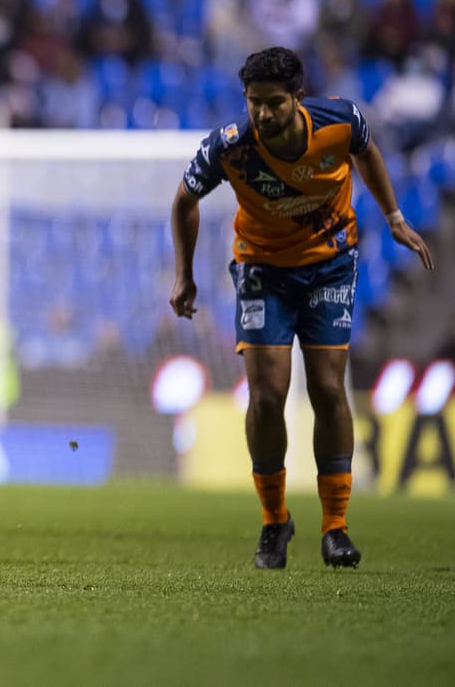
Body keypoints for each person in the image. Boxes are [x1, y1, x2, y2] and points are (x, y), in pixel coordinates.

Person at [169, 46, 433, 570]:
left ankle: (335, 527)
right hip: (262, 270)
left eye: (273, 103)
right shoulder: (230, 147)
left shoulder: (341, 121)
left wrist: (395, 217)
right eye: (253, 103)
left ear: (298, 97)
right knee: (267, 396)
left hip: (330, 266)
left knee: (329, 388)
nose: (262, 114)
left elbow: (369, 152)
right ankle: (274, 522)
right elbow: (183, 201)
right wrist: (185, 275)